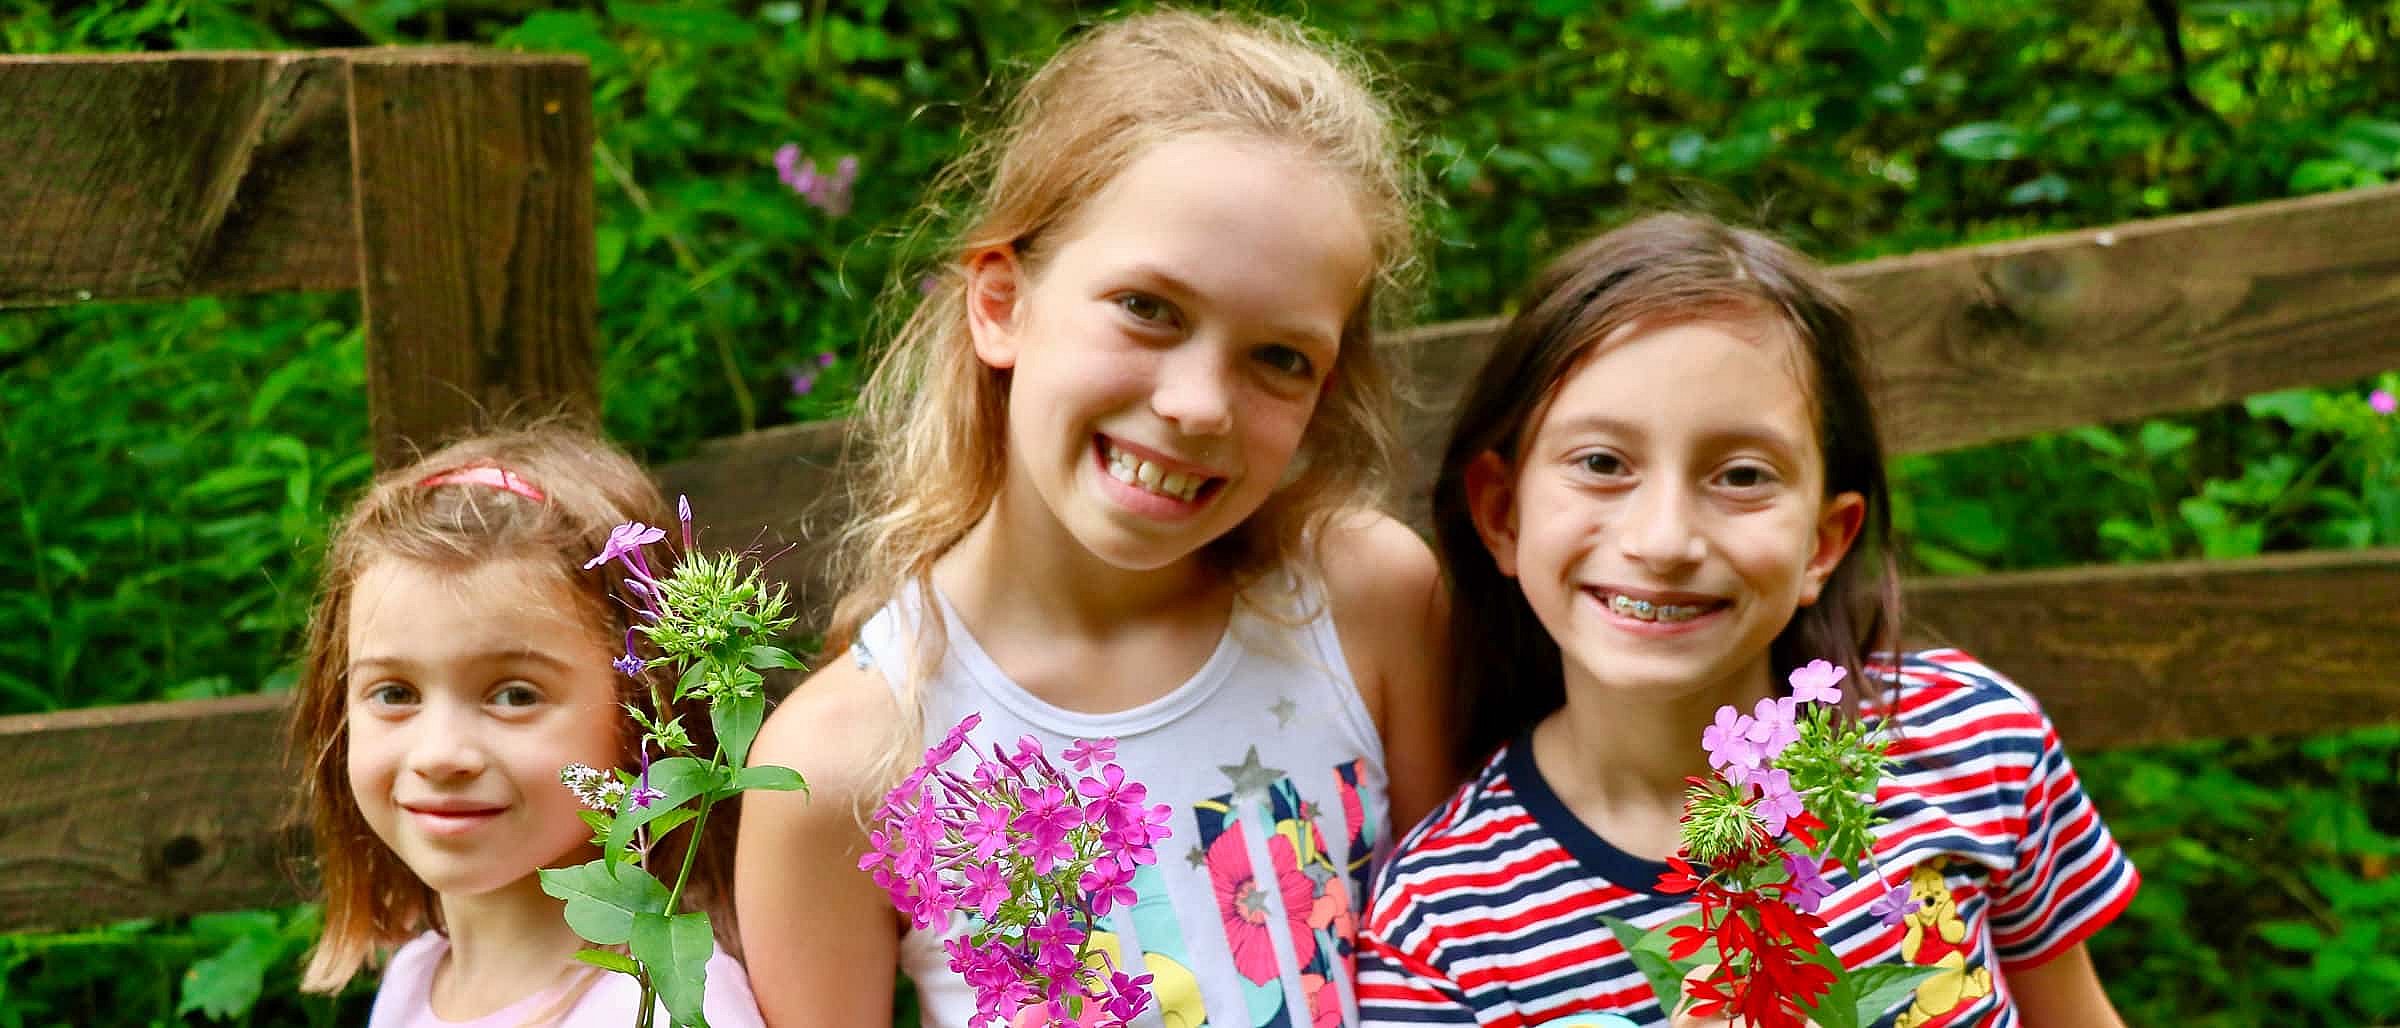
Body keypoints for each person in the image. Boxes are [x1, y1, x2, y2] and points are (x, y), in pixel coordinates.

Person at [734, 9, 1453, 1028]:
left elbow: (1477, 954)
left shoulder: (1367, 602)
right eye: (1149, 308)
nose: (1200, 403)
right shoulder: (843, 761)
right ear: (1000, 303)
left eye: (1279, 358)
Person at [1355, 214, 2140, 1028]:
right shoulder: (1439, 927)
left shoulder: (1971, 742)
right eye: (1601, 464)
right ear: (1501, 513)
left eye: (1740, 475)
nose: (1662, 541)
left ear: (1823, 545)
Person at [290, 424, 765, 1027]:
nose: (440, 755)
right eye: (395, 693)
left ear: (643, 711)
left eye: (514, 695)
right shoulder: (415, 977)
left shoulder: (670, 1006)